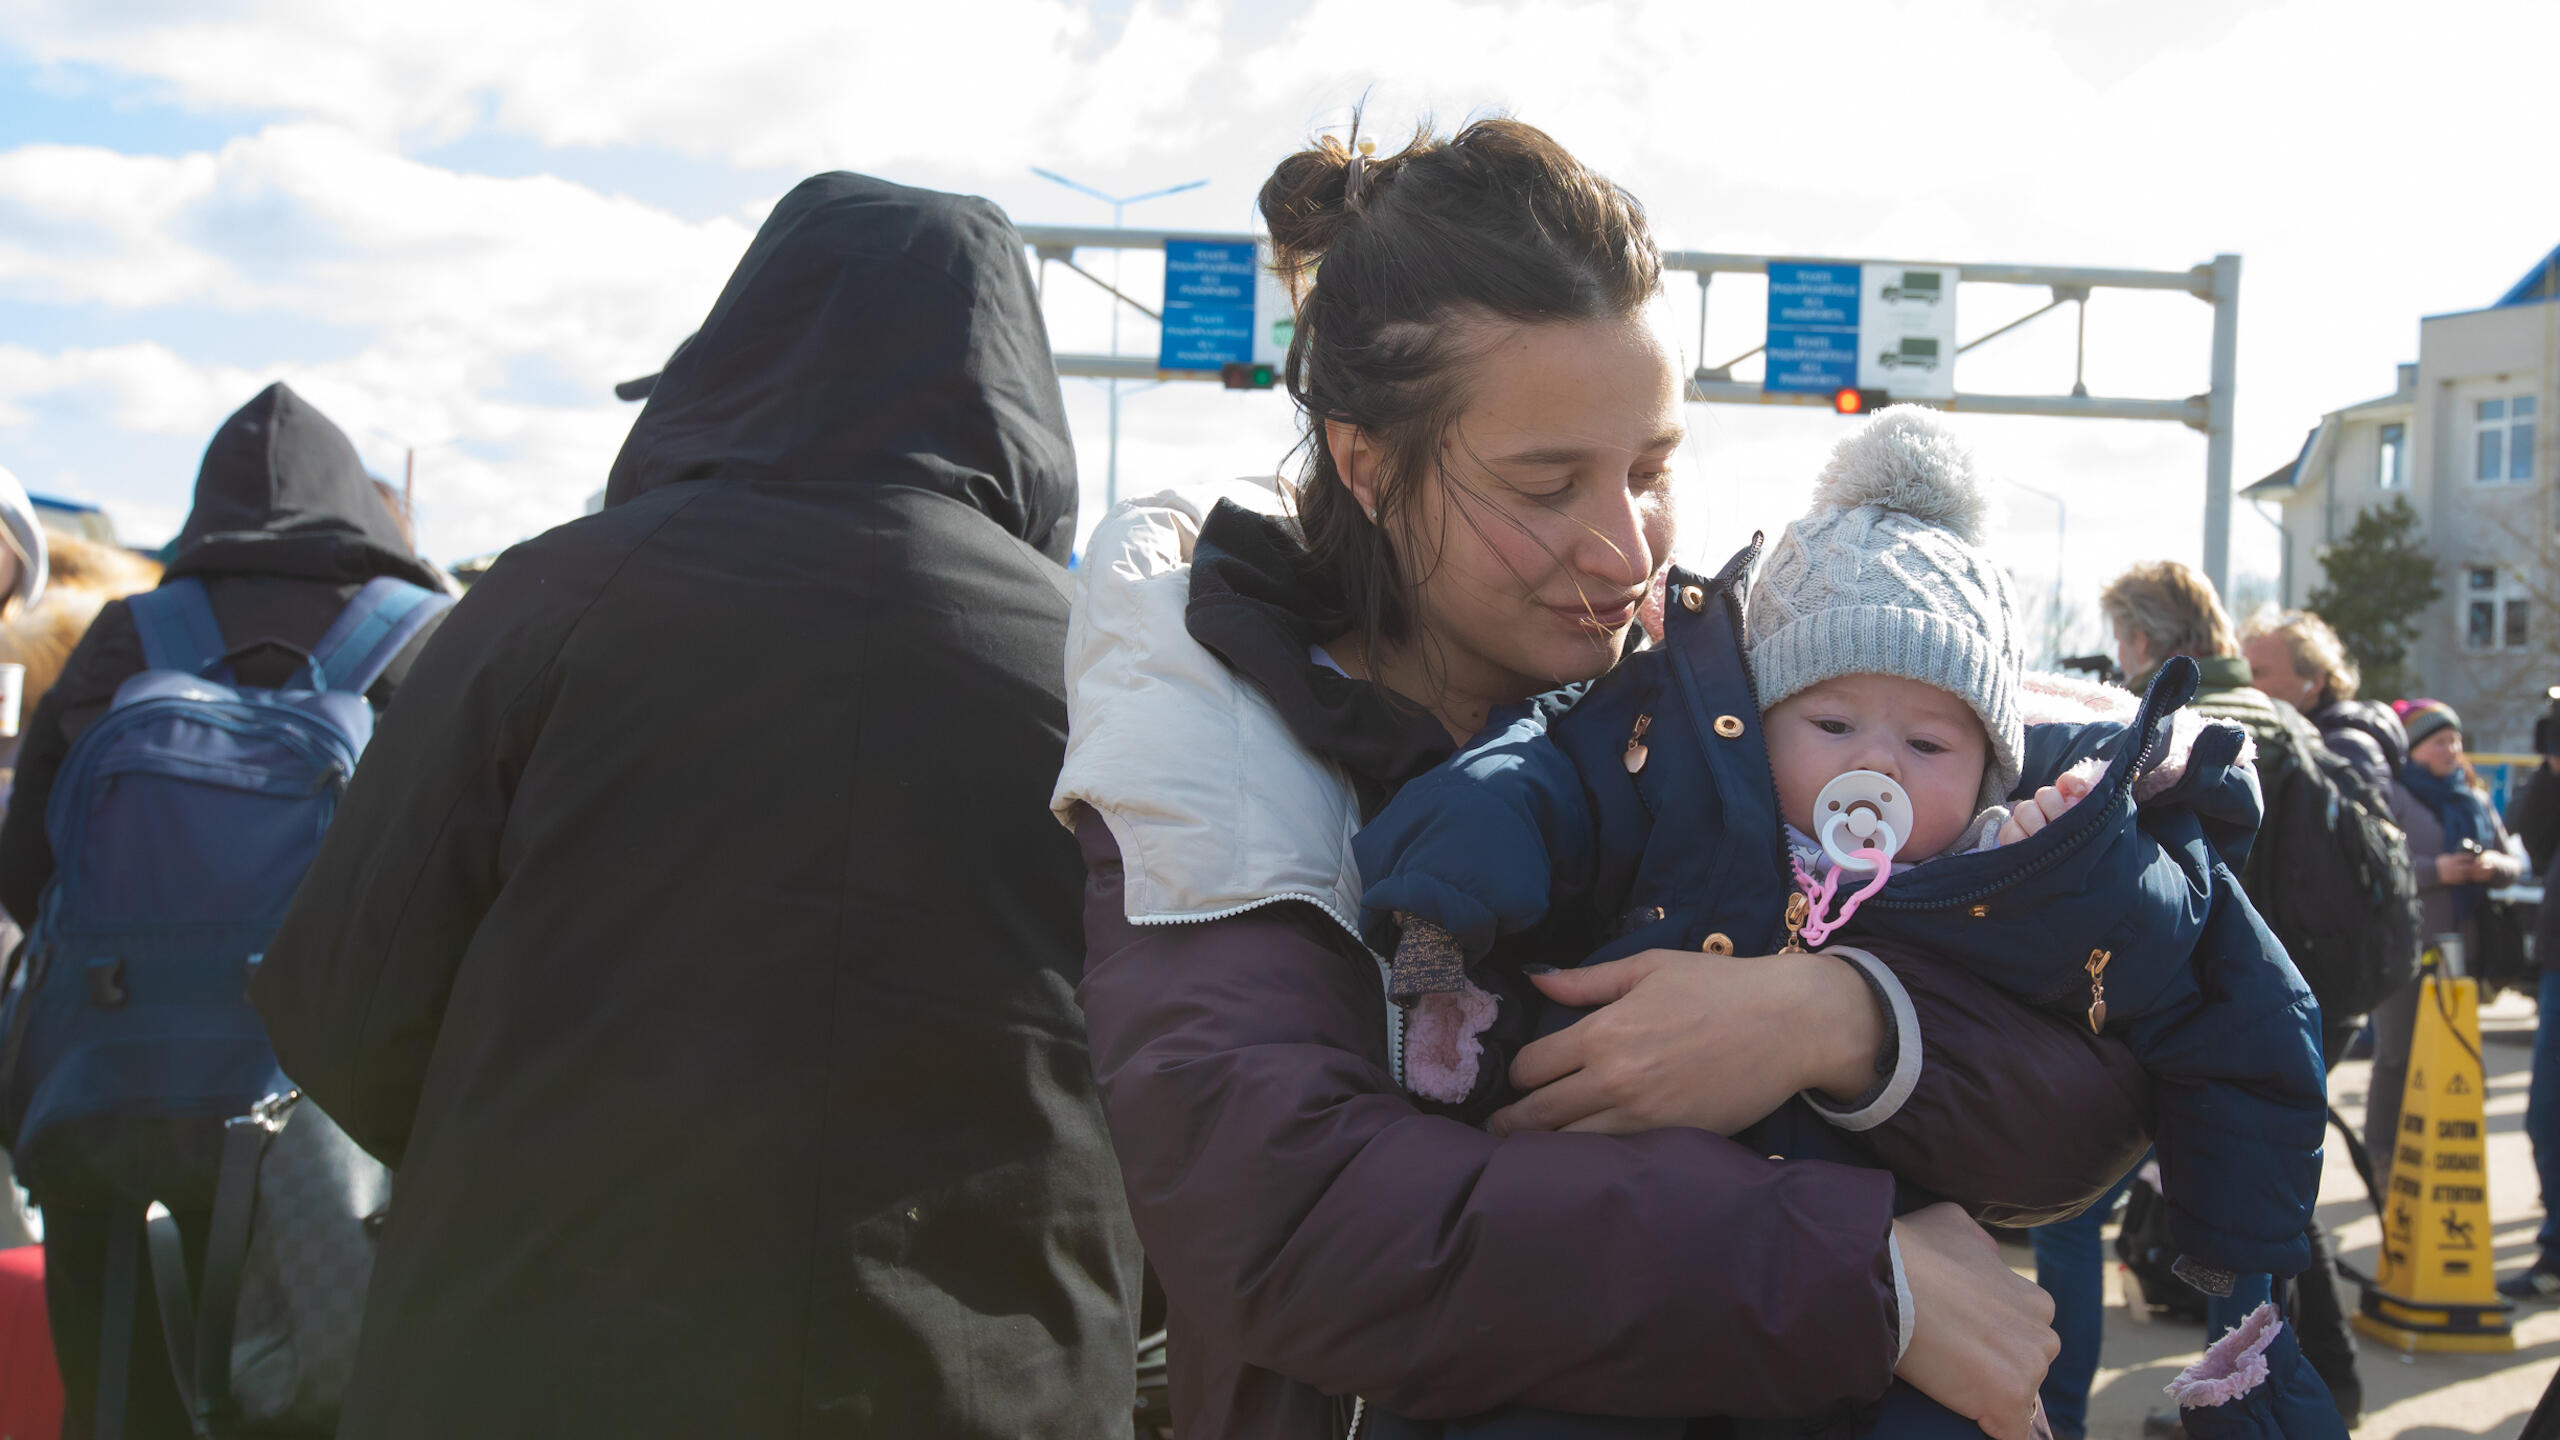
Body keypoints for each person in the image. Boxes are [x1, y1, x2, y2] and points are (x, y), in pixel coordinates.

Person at [1056, 117, 2156, 1440]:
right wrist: (1848, 1268)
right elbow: (1288, 1224)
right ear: (1364, 461)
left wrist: (1840, 1018)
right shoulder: (1208, 725)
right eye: (1547, 485)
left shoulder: (1753, 698)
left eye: (1651, 470)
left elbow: (2087, 1106)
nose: (1625, 548)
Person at [250, 175, 1142, 1438]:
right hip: (983, 1372)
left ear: (729, 357)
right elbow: (1189, 1070)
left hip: (538, 1353)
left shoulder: (544, 604)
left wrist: (529, 1146)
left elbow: (339, 1000)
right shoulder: (1104, 663)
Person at [1354, 408, 2332, 1440]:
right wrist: (1440, 915)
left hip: (1885, 1281)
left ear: (1993, 763)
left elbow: (2236, 998)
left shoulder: (2011, 867)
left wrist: (2235, 1230)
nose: (1878, 767)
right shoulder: (1668, 790)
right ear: (1749, 724)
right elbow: (1521, 788)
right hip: (1623, 1244)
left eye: (1928, 742)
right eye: (1829, 725)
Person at [0, 383, 446, 1440]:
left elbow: (28, 870)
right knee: (306, 1393)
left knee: (118, 1404)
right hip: (325, 1119)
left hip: (105, 1087)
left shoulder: (132, 631)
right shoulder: (425, 640)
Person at [2239, 608, 2407, 793]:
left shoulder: (2348, 747)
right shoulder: (2279, 733)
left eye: (2258, 673)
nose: (2245, 682)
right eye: (2243, 672)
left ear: (2315, 681)